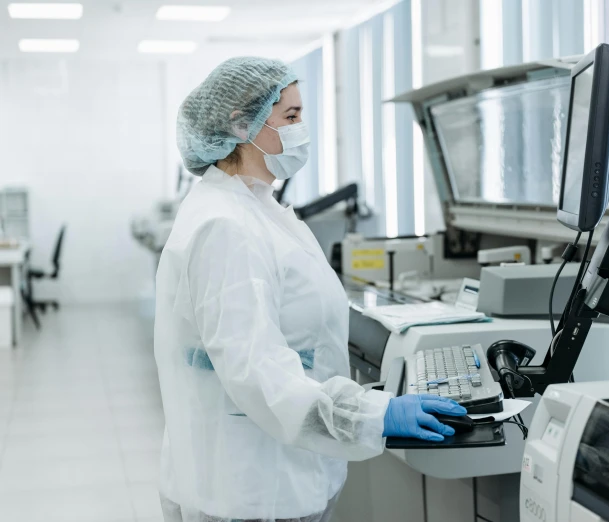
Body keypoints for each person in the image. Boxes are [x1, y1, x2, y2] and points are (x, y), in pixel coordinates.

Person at [155, 56, 467, 522]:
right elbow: (255, 370)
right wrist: (372, 415)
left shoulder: (255, 208)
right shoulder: (226, 225)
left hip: (267, 472)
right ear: (243, 126)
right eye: (291, 117)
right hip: (251, 489)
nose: (303, 130)